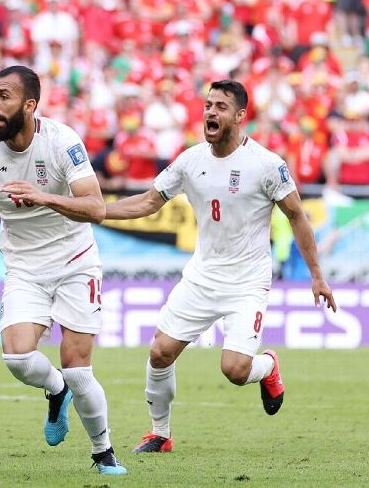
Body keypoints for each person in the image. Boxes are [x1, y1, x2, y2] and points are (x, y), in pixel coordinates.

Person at [103, 80, 337, 454]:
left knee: (235, 371)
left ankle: (268, 366)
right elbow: (149, 202)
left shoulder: (266, 165)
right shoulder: (190, 160)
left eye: (221, 107)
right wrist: (100, 212)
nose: (210, 112)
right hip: (202, 276)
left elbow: (297, 216)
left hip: (247, 282)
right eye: (208, 105)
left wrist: (317, 276)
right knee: (160, 352)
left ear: (240, 116)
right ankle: (159, 434)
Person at [0, 65, 126, 476]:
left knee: (79, 368)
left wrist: (44, 197)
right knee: (16, 358)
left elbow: (96, 208)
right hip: (25, 267)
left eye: (5, 97)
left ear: (30, 105)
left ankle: (103, 453)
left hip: (75, 262)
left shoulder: (63, 142)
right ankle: (56, 389)